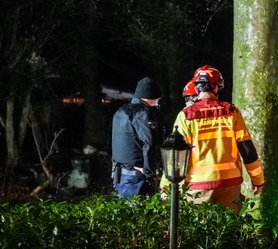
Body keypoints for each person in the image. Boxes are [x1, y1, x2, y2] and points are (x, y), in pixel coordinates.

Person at [167, 64, 264, 211]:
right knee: (229, 223)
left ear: (197, 88)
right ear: (216, 87)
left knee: (199, 224)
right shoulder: (231, 112)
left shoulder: (186, 115)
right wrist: (258, 180)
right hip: (230, 183)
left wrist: (168, 186)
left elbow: (176, 154)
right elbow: (247, 150)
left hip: (198, 185)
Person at [110, 76, 163, 198]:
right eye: (158, 99)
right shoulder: (142, 114)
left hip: (121, 174)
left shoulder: (121, 111)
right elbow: (149, 144)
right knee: (141, 209)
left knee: (127, 209)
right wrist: (149, 171)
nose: (158, 102)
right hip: (136, 176)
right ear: (150, 97)